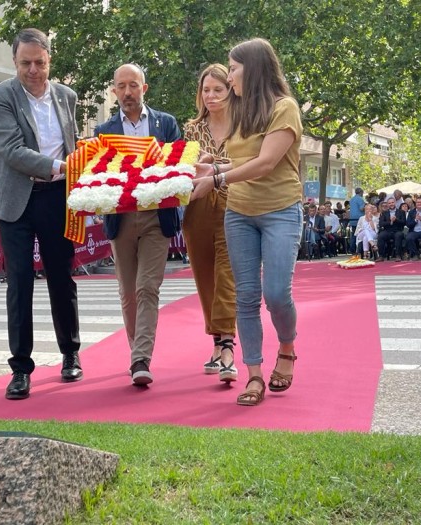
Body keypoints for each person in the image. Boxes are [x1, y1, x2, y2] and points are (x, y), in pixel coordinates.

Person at [191, 38, 303, 406]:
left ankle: (286, 348)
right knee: (246, 297)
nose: (230, 74)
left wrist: (216, 178)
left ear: (252, 69)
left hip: (280, 210)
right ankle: (254, 374)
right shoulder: (238, 111)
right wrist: (211, 167)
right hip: (239, 213)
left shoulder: (284, 108)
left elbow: (266, 162)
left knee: (275, 293)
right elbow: (240, 163)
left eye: (234, 68)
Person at [0, 28, 82, 400]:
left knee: (62, 277)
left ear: (49, 60)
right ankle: (20, 368)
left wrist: (76, 170)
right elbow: (10, 150)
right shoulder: (0, 96)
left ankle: (70, 353)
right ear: (14, 62)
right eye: (25, 63)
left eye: (39, 63)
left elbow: (73, 143)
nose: (33, 70)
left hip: (58, 198)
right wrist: (63, 165)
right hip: (15, 201)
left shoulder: (67, 96)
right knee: (20, 282)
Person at [95, 63, 182, 386]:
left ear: (144, 88)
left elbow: (178, 169)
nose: (128, 92)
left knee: (148, 288)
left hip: (156, 218)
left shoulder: (167, 124)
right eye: (121, 86)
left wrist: (164, 162)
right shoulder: (102, 131)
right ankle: (137, 352)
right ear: (114, 91)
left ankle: (140, 358)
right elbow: (100, 176)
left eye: (134, 85)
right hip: (120, 218)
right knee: (128, 292)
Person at [182, 64, 237, 383]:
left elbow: (249, 164)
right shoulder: (191, 128)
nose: (212, 96)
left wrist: (211, 163)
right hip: (199, 206)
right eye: (206, 90)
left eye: (218, 89)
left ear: (230, 91)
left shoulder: (244, 125)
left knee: (227, 276)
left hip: (234, 204)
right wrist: (193, 164)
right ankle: (216, 344)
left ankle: (228, 346)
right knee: (205, 278)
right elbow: (185, 167)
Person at [348, 187, 366, 254]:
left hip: (352, 219)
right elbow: (361, 209)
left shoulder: (352, 199)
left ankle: (352, 249)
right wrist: (366, 206)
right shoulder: (360, 199)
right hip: (359, 219)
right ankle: (358, 249)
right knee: (359, 234)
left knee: (353, 234)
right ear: (361, 192)